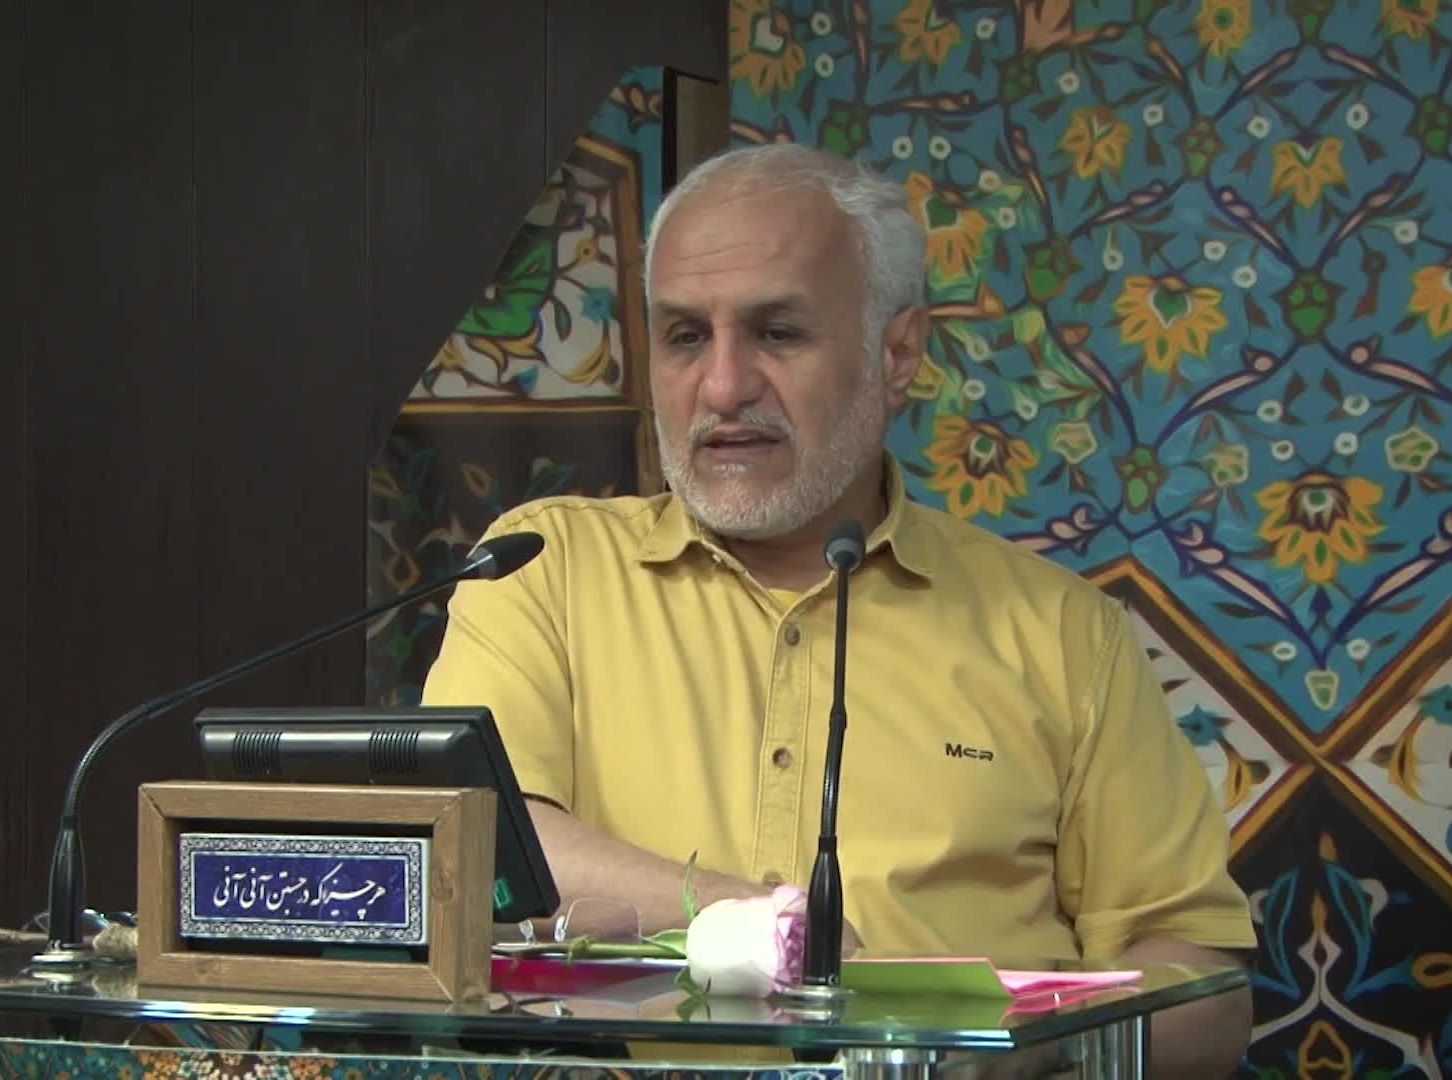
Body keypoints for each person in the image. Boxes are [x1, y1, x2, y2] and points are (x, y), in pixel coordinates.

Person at [422, 143, 1255, 1075]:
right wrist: (768, 925)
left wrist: (1001, 1057)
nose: (724, 386)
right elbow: (474, 845)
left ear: (898, 354)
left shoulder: (1063, 634)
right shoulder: (541, 569)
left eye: (778, 333)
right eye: (686, 336)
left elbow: (1204, 990)